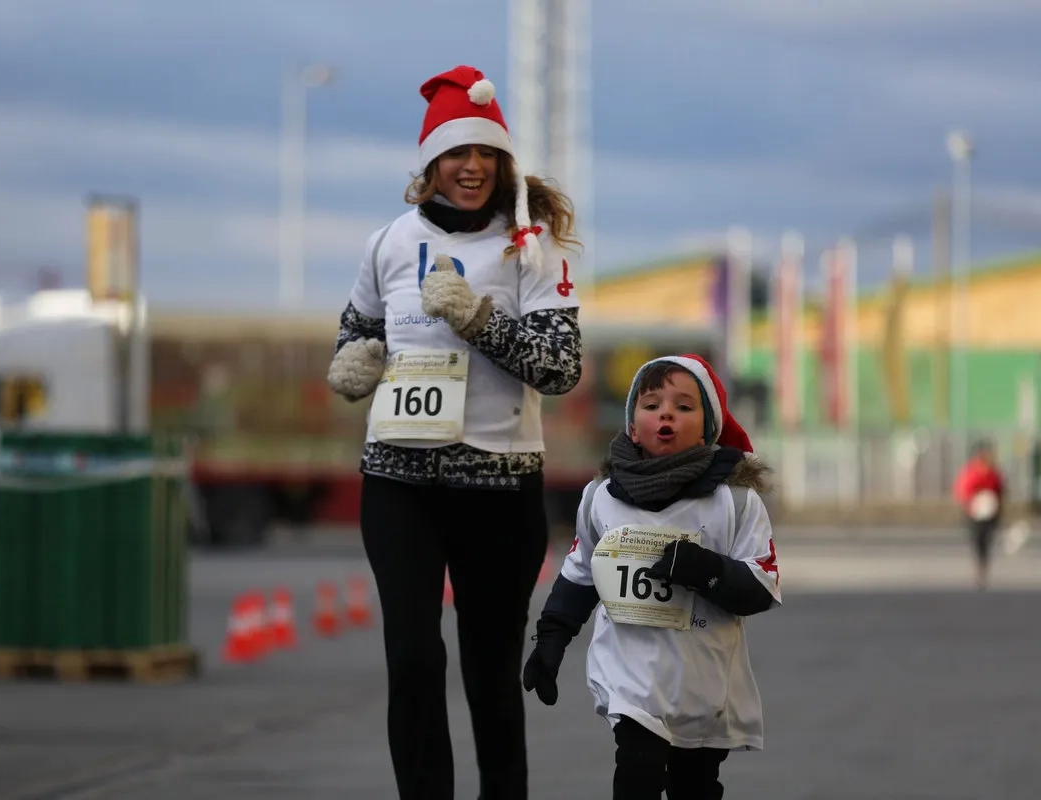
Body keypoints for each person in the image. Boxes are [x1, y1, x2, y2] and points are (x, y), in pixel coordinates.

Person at [325, 64, 583, 800]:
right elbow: (355, 331)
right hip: (399, 483)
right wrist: (353, 363)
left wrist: (476, 316)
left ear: (503, 163)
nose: (471, 169)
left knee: (490, 673)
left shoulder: (531, 248)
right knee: (411, 660)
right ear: (431, 163)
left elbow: (561, 368)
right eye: (456, 155)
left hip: (499, 486)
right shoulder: (388, 242)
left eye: (486, 155)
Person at [522, 354, 780, 799]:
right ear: (632, 424)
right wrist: (551, 639)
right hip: (630, 675)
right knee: (636, 774)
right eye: (651, 404)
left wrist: (706, 570)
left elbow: (761, 587)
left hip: (703, 680)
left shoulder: (734, 504)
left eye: (683, 406)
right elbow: (581, 574)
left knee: (694, 786)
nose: (666, 414)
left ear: (708, 427)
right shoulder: (601, 498)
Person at [952, 440, 1006, 590]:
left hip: (990, 514)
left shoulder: (994, 474)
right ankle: (979, 565)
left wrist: (994, 504)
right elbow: (963, 490)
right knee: (976, 539)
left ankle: (983, 565)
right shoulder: (971, 472)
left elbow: (1000, 490)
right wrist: (973, 502)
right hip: (974, 514)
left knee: (987, 540)